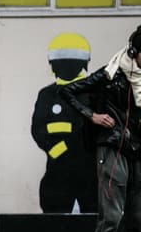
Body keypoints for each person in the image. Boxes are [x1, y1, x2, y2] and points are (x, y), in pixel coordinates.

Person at [61, 26, 141, 232]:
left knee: (136, 214)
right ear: (135, 52)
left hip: (137, 150)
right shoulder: (111, 75)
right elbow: (69, 91)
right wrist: (92, 116)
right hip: (112, 147)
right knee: (112, 215)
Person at [31, 33, 97, 213]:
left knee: (92, 217)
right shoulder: (47, 95)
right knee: (55, 215)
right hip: (58, 171)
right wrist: (60, 151)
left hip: (89, 172)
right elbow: (38, 130)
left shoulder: (94, 93)